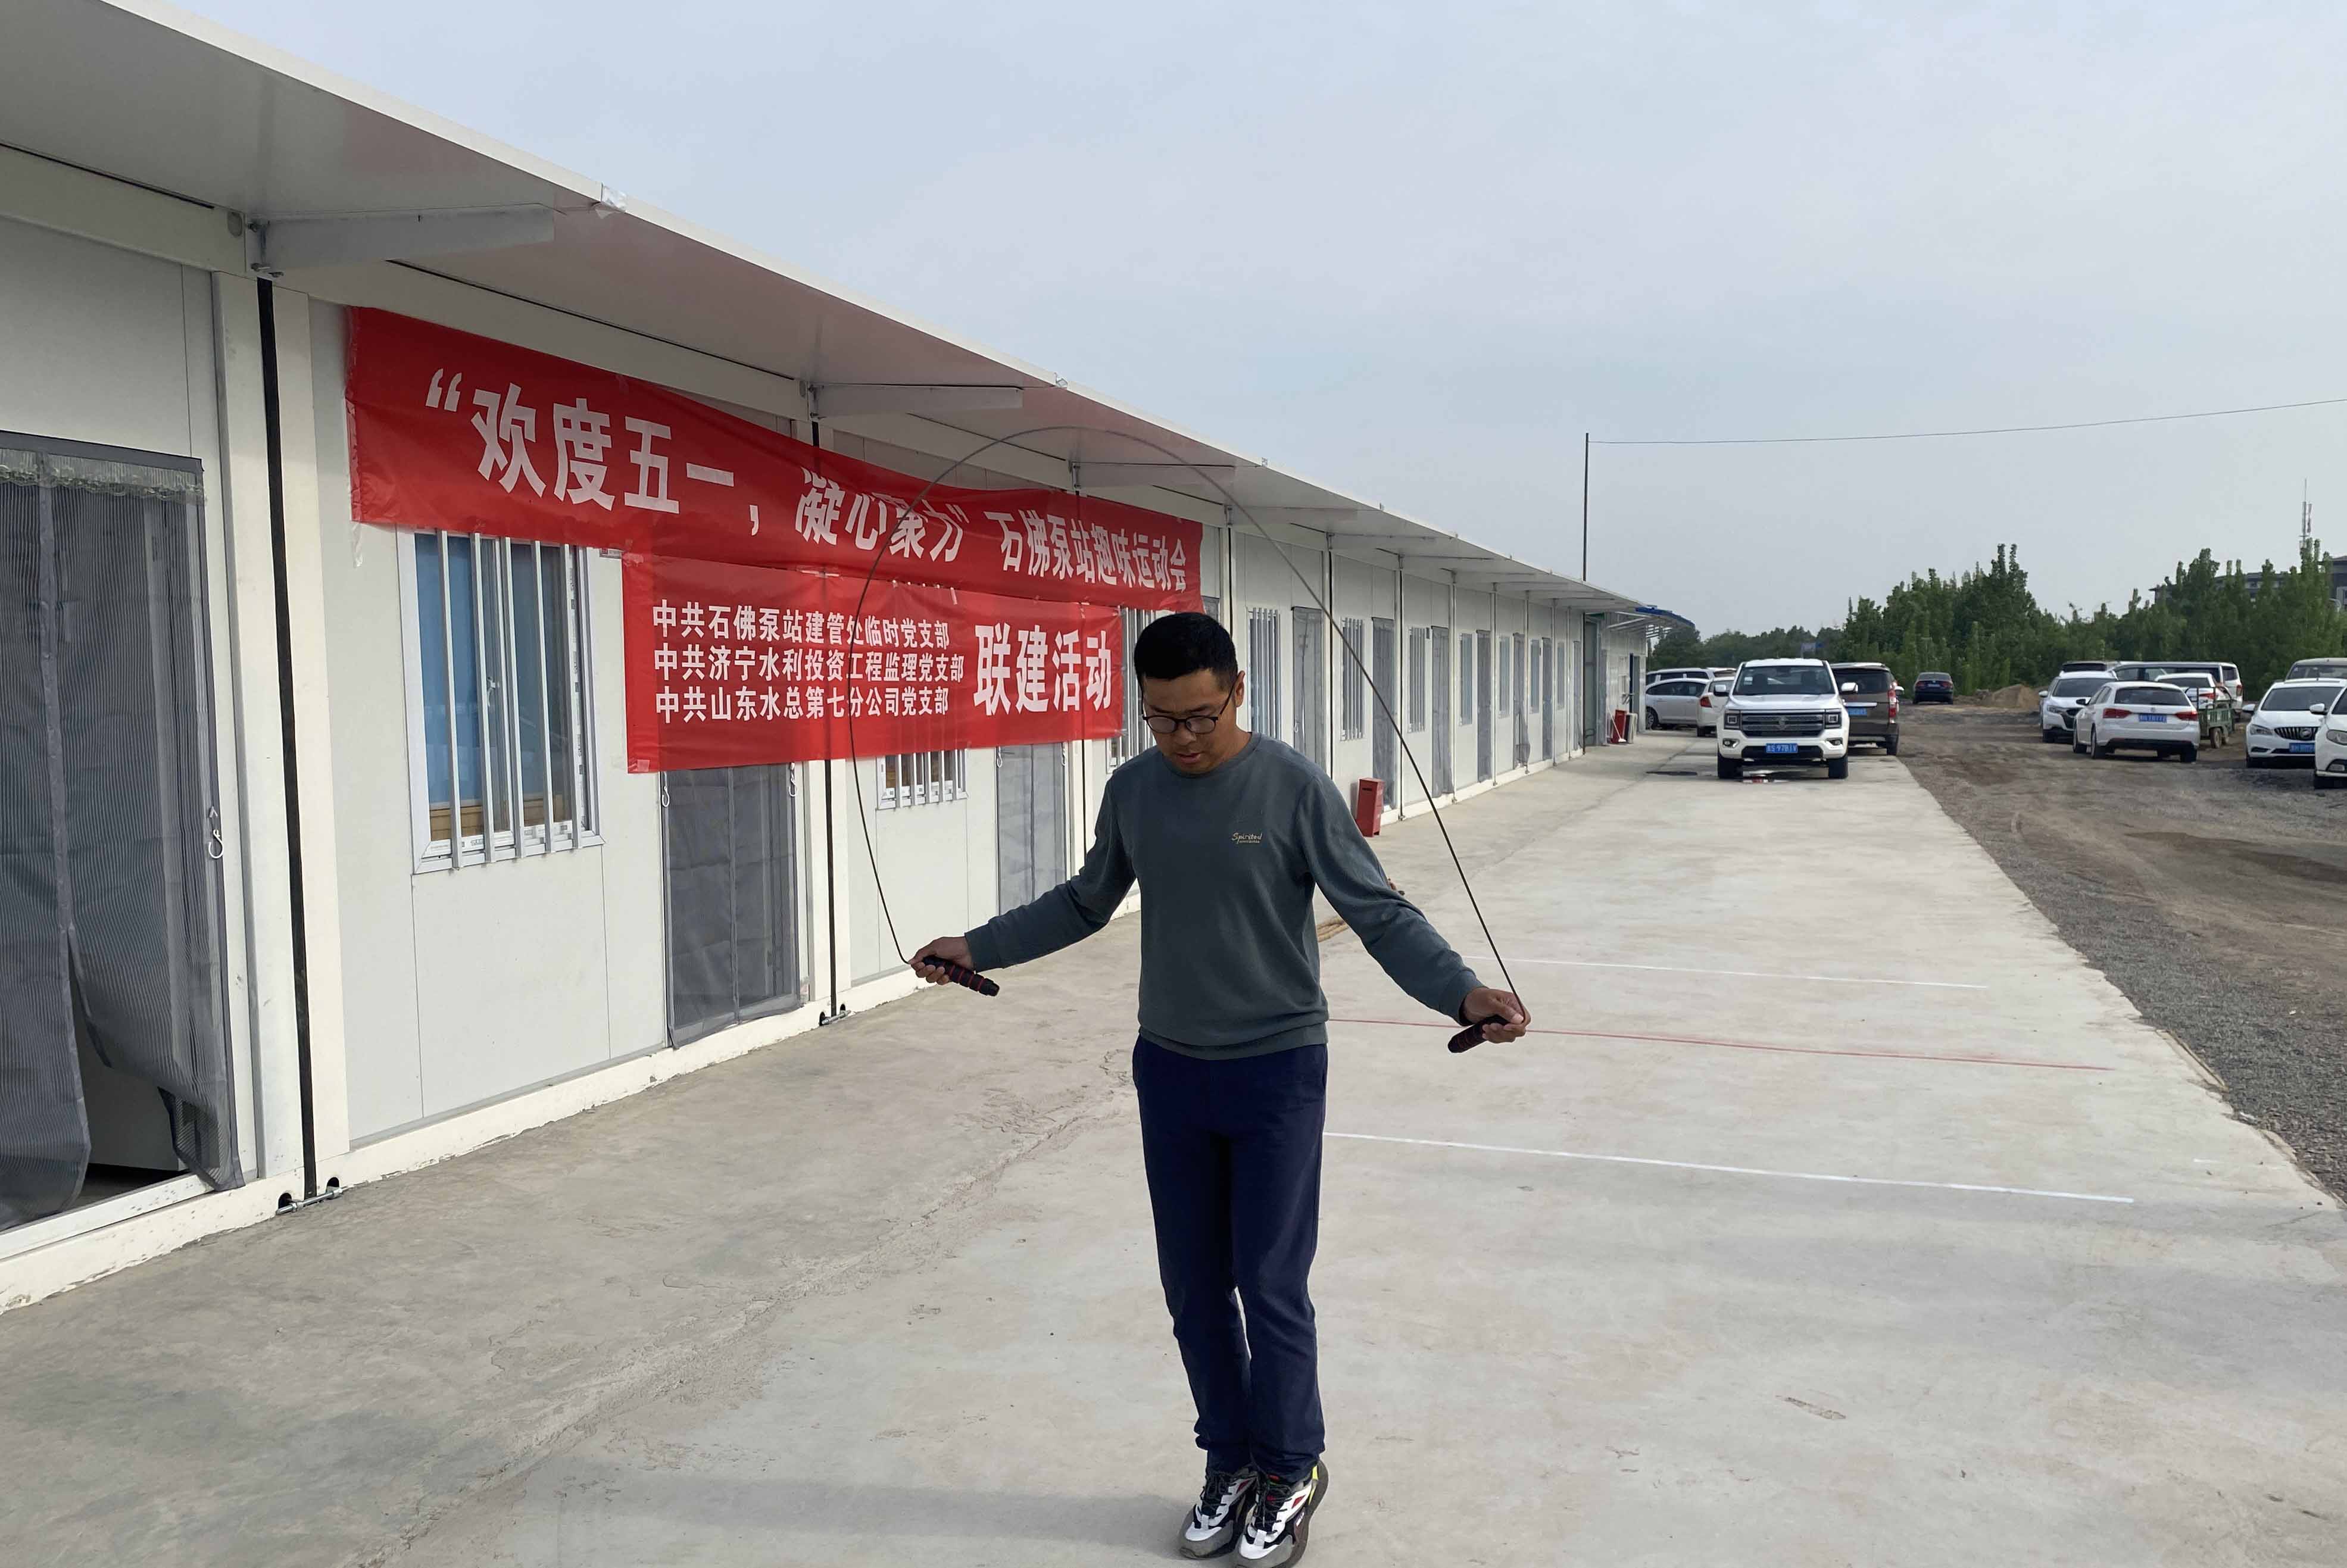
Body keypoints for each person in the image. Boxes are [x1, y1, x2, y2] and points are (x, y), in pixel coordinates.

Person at [913, 611, 1527, 1565]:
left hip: (1277, 1068)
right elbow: (1083, 901)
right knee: (1194, 1288)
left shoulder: (1291, 786)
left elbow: (1376, 911)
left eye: (1200, 715)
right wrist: (978, 945)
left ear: (1237, 690)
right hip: (1169, 1068)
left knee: (1270, 1282)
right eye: (1162, 719)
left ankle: (1291, 1464)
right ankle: (1230, 1460)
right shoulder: (1133, 790)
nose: (1184, 738)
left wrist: (1461, 989)